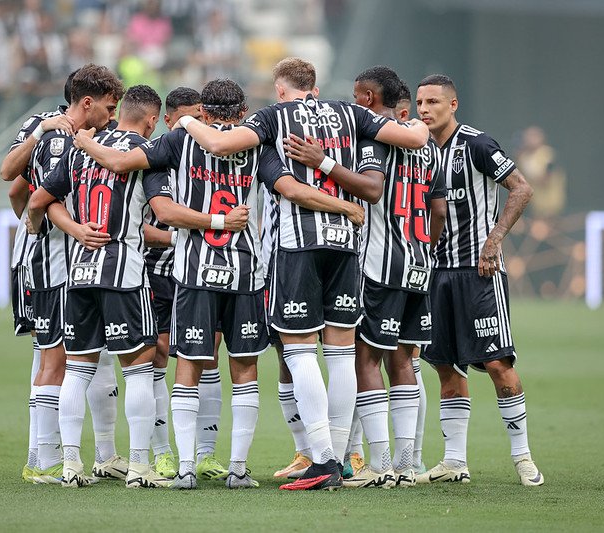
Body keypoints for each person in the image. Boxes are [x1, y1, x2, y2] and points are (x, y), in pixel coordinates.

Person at [73, 77, 366, 490]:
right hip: (246, 271)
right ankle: (239, 469)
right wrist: (345, 207)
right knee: (245, 370)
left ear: (203, 113)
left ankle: (188, 467)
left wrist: (84, 141)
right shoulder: (258, 146)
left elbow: (124, 168)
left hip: (194, 271)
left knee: (188, 368)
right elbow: (291, 189)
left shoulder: (176, 141)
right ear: (244, 113)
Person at [173, 57, 429, 490]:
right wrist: (347, 203)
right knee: (342, 352)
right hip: (347, 245)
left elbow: (219, 146)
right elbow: (414, 137)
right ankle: (345, 455)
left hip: (299, 244)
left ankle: (322, 456)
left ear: (280, 89)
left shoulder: (273, 117)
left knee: (299, 349)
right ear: (314, 84)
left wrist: (184, 121)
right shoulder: (352, 113)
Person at [284, 66, 447, 488]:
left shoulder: (374, 136)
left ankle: (378, 462)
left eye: (358, 96)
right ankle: (408, 464)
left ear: (370, 98)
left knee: (362, 359)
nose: (354, 103)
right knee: (406, 360)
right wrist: (423, 248)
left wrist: (323, 160)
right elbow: (439, 210)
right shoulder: (429, 147)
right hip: (418, 261)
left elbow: (370, 189)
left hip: (379, 263)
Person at [29, 83, 178, 488]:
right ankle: (139, 467)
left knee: (77, 370)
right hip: (123, 274)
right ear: (151, 120)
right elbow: (162, 211)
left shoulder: (82, 148)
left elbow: (41, 200)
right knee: (139, 369)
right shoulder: (145, 153)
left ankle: (72, 466)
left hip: (78, 274)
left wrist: (76, 229)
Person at [414, 74, 543, 486]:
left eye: (433, 102)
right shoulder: (415, 149)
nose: (424, 110)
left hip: (480, 270)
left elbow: (521, 189)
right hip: (435, 272)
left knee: (497, 363)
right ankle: (454, 461)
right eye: (419, 103)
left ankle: (523, 457)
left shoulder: (477, 144)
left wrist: (494, 241)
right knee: (444, 365)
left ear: (453, 105)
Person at [2, 69, 124, 484]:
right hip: (50, 261)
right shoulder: (51, 133)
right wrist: (48, 230)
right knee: (54, 357)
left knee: (72, 355)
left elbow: (20, 193)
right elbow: (20, 186)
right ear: (86, 102)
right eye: (109, 108)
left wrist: (33, 224)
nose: (113, 117)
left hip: (63, 260)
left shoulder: (81, 136)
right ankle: (45, 461)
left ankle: (44, 456)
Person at [144, 86, 230, 481]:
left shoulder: (217, 151)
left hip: (200, 268)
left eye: (203, 115)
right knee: (159, 356)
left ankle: (205, 452)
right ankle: (164, 453)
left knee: (206, 356)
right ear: (169, 120)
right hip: (156, 271)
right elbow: (136, 224)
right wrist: (177, 236)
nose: (199, 124)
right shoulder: (162, 151)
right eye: (190, 118)